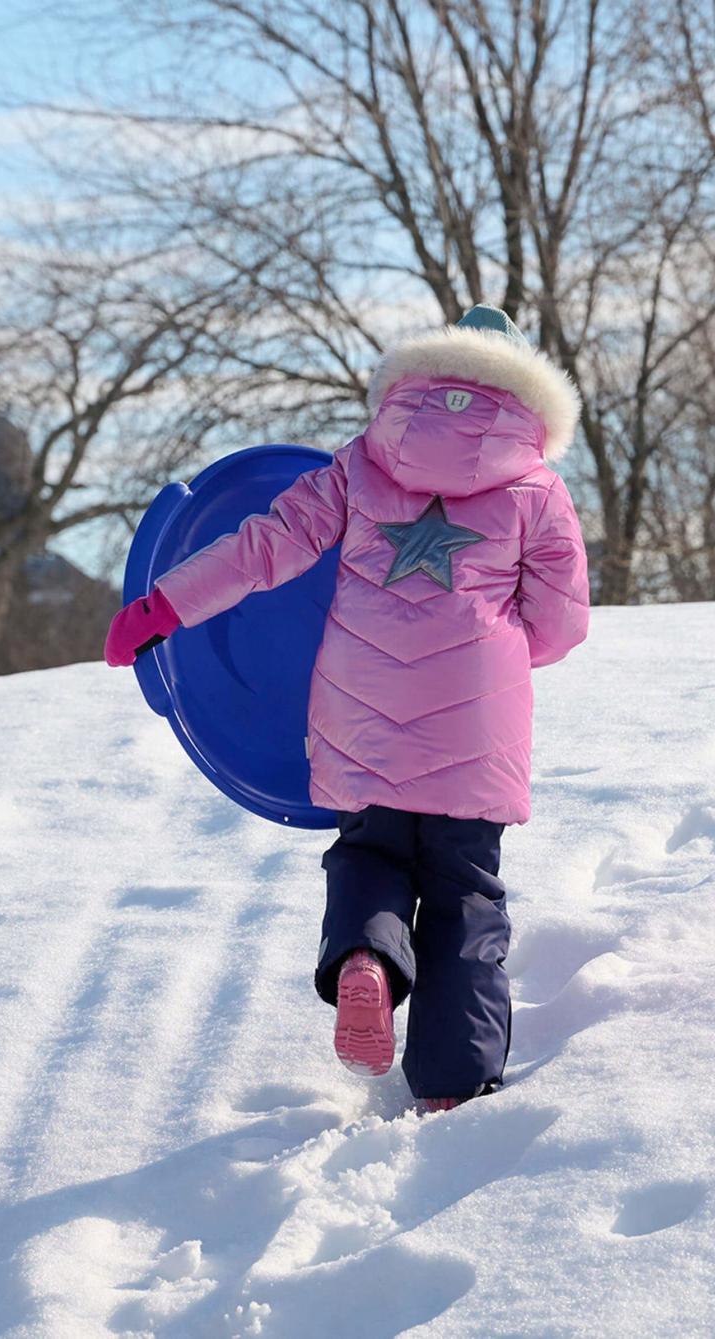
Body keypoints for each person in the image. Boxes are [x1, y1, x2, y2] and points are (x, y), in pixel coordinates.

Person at [105, 305, 589, 1112]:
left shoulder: (362, 463)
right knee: (465, 889)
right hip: (476, 726)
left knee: (371, 854)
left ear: (419, 382)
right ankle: (452, 1078)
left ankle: (367, 954)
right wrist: (503, 654)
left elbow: (264, 545)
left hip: (358, 715)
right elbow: (564, 623)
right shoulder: (538, 490)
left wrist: (165, 607)